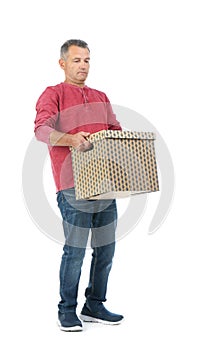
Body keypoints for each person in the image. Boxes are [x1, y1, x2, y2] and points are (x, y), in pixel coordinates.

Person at [34, 39, 124, 332]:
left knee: (106, 249)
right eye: (76, 60)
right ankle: (67, 310)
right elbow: (42, 130)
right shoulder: (53, 94)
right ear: (63, 64)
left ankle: (94, 304)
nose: (83, 65)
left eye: (87, 60)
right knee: (75, 250)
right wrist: (72, 139)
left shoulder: (101, 96)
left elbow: (115, 131)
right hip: (72, 187)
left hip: (105, 185)